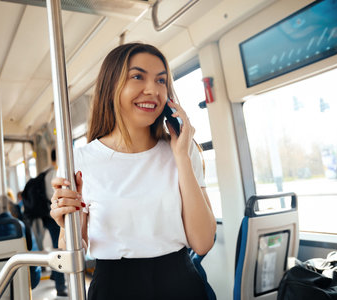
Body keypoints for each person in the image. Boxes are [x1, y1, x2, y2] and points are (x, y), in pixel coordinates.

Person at [50, 43, 217, 299]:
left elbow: (203, 241)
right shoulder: (79, 160)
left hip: (181, 284)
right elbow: (73, 248)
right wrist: (65, 225)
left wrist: (182, 157)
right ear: (112, 87)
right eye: (138, 76)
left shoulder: (182, 150)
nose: (152, 90)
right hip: (114, 287)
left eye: (161, 81)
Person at [22, 149, 68, 297]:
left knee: (56, 245)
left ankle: (56, 276)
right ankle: (60, 286)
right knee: (58, 248)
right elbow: (54, 199)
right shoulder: (56, 175)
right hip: (53, 215)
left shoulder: (48, 173)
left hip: (46, 215)